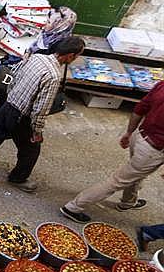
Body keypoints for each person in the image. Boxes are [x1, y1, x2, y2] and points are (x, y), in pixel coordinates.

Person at [0, 37, 85, 193]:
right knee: (30, 151)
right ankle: (18, 178)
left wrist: (11, 97)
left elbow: (14, 76)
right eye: (77, 55)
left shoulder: (37, 57)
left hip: (7, 107)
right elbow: (41, 108)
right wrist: (37, 132)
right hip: (21, 117)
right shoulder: (53, 76)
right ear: (70, 55)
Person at [60, 80, 164, 223]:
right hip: (153, 150)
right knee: (116, 181)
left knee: (136, 173)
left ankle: (128, 203)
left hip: (140, 136)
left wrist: (129, 132)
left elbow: (139, 109)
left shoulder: (162, 85)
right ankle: (73, 207)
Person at [0, 7, 77, 132]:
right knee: (6, 101)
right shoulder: (48, 35)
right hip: (24, 73)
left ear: (60, 26)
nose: (45, 24)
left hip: (31, 81)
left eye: (49, 22)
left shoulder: (58, 46)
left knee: (10, 105)